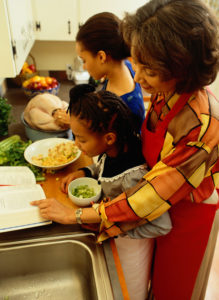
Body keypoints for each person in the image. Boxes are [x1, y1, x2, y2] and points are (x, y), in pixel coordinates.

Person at [32, 0, 219, 299]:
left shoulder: (202, 125)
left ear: (182, 68)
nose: (137, 76)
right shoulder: (164, 88)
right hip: (159, 208)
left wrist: (76, 217)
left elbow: (149, 197)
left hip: (187, 219)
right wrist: (90, 171)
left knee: (175, 289)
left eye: (148, 69)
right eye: (137, 62)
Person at [59, 84, 172, 299]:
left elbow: (161, 225)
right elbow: (103, 166)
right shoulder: (115, 148)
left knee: (127, 291)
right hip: (114, 239)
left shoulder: (133, 177)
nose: (77, 145)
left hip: (131, 252)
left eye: (81, 139)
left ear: (109, 138)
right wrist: (86, 171)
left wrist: (113, 226)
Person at [75, 11, 145, 131]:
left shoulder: (122, 107)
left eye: (84, 61)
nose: (84, 67)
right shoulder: (124, 66)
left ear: (101, 57)